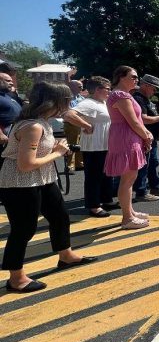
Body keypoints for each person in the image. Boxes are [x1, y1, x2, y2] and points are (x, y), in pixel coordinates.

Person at [0, 82, 97, 293]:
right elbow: (25, 165)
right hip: (20, 183)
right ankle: (16, 278)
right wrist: (58, 153)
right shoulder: (33, 126)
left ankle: (66, 255)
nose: (70, 105)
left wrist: (54, 148)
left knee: (60, 216)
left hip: (43, 179)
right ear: (55, 102)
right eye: (67, 101)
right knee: (23, 229)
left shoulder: (42, 122)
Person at [104, 66, 153, 229]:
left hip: (128, 136)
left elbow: (137, 121)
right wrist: (146, 135)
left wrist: (145, 134)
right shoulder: (120, 95)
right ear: (121, 77)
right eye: (133, 76)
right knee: (127, 179)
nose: (136, 79)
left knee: (129, 178)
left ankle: (130, 212)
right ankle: (127, 218)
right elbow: (133, 122)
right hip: (126, 138)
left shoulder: (124, 95)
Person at [63, 76, 114, 217]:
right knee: (94, 177)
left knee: (106, 175)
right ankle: (93, 206)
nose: (110, 91)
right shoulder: (89, 103)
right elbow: (68, 114)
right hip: (94, 147)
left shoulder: (101, 103)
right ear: (98, 89)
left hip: (104, 146)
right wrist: (85, 125)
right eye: (107, 89)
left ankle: (106, 200)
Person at [133, 74, 159, 202]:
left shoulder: (145, 99)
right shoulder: (138, 99)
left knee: (153, 163)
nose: (155, 91)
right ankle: (141, 191)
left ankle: (154, 187)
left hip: (151, 138)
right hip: (144, 137)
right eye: (153, 88)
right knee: (144, 165)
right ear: (145, 85)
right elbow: (143, 119)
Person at [0, 72, 22, 171]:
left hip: (15, 134)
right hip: (4, 136)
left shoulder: (7, 96)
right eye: (8, 81)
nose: (12, 83)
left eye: (12, 81)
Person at [63, 80, 85, 173]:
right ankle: (70, 166)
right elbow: (67, 111)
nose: (82, 88)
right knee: (72, 144)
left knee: (80, 144)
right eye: (79, 86)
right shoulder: (67, 98)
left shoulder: (81, 98)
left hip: (81, 123)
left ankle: (79, 163)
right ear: (71, 87)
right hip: (71, 124)